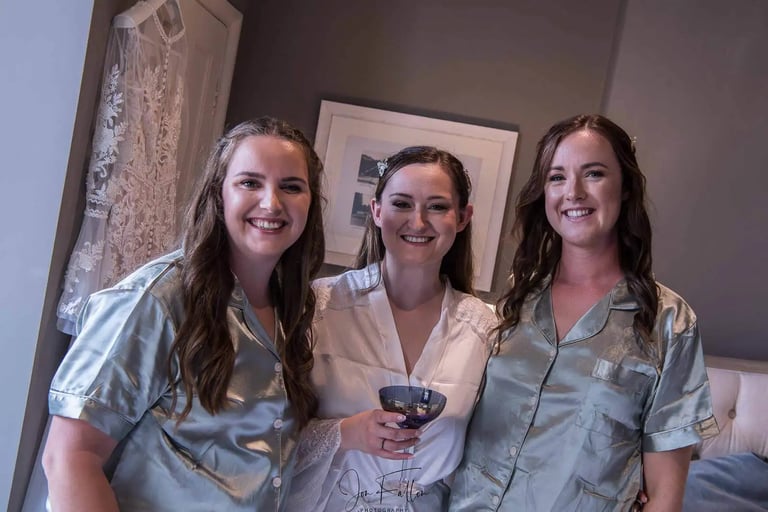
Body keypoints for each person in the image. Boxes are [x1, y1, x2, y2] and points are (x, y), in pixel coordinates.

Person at [42, 116, 326, 512]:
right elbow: (69, 458)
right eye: (250, 182)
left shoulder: (290, 312)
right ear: (218, 193)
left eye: (291, 187)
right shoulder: (156, 300)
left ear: (310, 203)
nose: (271, 203)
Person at [449, 114, 719, 512]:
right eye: (557, 177)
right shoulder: (514, 302)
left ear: (625, 187)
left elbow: (664, 496)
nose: (572, 192)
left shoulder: (668, 322)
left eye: (593, 173)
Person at [286, 146, 497, 512]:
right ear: (377, 211)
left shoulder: (487, 331)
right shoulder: (318, 308)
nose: (417, 222)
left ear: (462, 218)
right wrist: (345, 433)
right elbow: (262, 440)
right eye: (401, 204)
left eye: (437, 206)